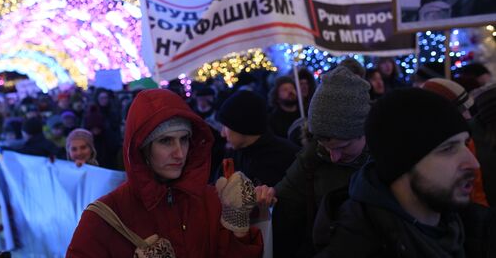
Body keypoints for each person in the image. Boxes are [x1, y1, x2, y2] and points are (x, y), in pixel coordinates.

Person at [67, 89, 263, 257]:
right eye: (166, 141)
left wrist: (238, 228)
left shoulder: (210, 201)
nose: (179, 153)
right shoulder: (104, 216)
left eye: (184, 139)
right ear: (142, 148)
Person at [313, 88, 496, 257]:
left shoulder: (475, 227)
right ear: (401, 164)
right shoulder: (354, 246)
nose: (473, 163)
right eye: (448, 149)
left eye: (464, 144)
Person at [272, 66, 371, 258]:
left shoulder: (390, 163)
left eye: (343, 147)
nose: (334, 156)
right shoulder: (310, 159)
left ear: (365, 132)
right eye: (326, 146)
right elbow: (284, 203)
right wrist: (266, 200)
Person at [421, 78, 488, 206]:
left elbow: (477, 191)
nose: (468, 116)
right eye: (462, 110)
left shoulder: (467, 140)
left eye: (468, 109)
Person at [215, 90, 299, 186]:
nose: (222, 134)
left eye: (226, 127)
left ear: (242, 126)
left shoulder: (287, 157)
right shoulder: (232, 156)